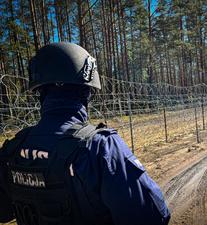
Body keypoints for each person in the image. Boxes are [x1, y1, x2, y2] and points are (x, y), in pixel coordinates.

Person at [0, 42, 170, 225]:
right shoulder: (100, 146)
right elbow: (154, 216)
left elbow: (3, 212)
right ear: (87, 91)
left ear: (40, 92)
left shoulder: (13, 149)